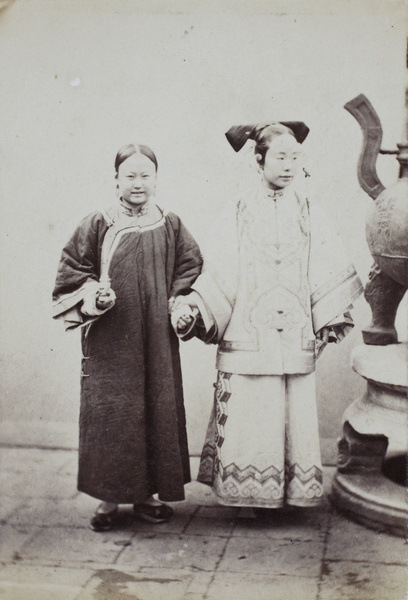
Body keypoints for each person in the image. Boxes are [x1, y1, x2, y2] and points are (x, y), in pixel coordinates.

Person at [171, 122, 363, 515]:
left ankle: (289, 493)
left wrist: (328, 314)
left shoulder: (308, 209)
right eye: (280, 156)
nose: (289, 165)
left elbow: (324, 264)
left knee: (291, 408)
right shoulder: (238, 210)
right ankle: (248, 498)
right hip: (248, 330)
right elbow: (219, 272)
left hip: (293, 330)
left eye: (296, 157)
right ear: (258, 160)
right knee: (252, 409)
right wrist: (196, 308)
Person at [53, 143, 202, 531]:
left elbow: (190, 264)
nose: (138, 183)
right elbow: (73, 269)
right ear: (116, 179)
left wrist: (176, 303)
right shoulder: (98, 222)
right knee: (113, 412)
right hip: (111, 338)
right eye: (130, 176)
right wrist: (93, 295)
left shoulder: (169, 222)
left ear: (156, 179)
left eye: (145, 175)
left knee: (154, 408)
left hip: (155, 337)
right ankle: (107, 496)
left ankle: (145, 495)